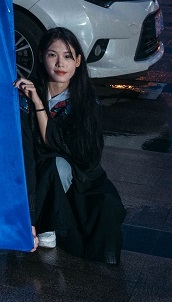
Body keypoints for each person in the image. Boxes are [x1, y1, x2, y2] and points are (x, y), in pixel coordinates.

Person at [15, 28, 124, 263]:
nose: (60, 63)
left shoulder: (85, 102)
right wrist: (28, 219)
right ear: (41, 57)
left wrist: (39, 105)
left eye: (67, 56)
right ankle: (43, 224)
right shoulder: (25, 97)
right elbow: (26, 153)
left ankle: (54, 222)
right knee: (50, 164)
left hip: (80, 176)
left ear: (78, 61)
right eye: (52, 55)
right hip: (36, 177)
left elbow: (74, 151)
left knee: (105, 209)